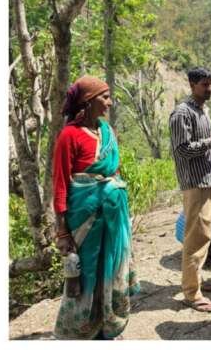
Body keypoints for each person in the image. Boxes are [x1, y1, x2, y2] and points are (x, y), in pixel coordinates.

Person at [52, 76, 139, 339]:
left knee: (112, 269)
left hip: (113, 215)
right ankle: (80, 332)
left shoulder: (107, 131)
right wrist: (63, 232)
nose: (110, 103)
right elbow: (60, 185)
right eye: (105, 97)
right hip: (84, 219)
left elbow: (115, 171)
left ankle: (107, 324)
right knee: (88, 272)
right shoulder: (69, 136)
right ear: (88, 102)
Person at [168, 67, 211, 313]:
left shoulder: (203, 111)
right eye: (205, 84)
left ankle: (196, 281)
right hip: (195, 185)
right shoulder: (182, 114)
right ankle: (191, 294)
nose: (210, 89)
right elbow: (183, 150)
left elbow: (203, 149)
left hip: (209, 181)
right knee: (195, 239)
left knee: (204, 237)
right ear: (193, 84)